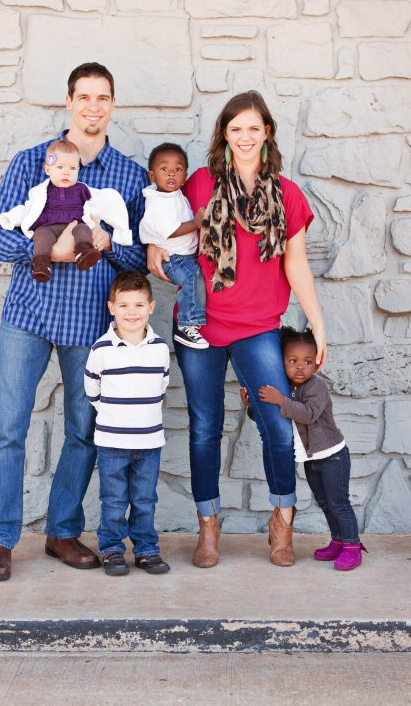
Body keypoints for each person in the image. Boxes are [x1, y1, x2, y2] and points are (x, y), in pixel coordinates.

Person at [0, 62, 149, 582]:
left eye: (103, 97)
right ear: (69, 101)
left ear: (112, 104)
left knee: (84, 430)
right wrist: (47, 249)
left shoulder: (129, 176)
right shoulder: (31, 162)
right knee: (8, 427)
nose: (93, 106)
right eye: (84, 97)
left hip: (91, 323)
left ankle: (62, 531)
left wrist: (108, 244)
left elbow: (139, 258)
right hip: (28, 314)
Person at [148, 90, 327, 569]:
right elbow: (167, 224)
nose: (244, 137)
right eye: (235, 129)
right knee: (205, 427)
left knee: (277, 425)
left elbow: (296, 264)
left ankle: (282, 519)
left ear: (267, 132)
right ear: (224, 135)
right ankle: (209, 524)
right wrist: (153, 247)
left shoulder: (287, 194)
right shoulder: (201, 183)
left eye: (253, 128)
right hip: (200, 327)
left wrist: (318, 325)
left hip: (258, 327)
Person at [257, 326, 366, 571]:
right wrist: (254, 407)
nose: (300, 367)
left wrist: (281, 400)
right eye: (292, 360)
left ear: (316, 363)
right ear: (282, 362)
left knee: (339, 503)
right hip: (312, 459)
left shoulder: (317, 387)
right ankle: (337, 541)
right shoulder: (287, 388)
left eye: (307, 361)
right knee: (325, 503)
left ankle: (352, 546)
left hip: (333, 457)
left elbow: (308, 414)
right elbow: (279, 417)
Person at [84, 271, 171, 576]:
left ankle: (146, 549)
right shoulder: (101, 350)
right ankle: (112, 549)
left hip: (149, 442)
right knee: (114, 500)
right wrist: (115, 415)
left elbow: (161, 385)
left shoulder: (159, 348)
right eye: (123, 305)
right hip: (112, 442)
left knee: (145, 499)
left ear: (151, 307)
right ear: (112, 308)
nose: (131, 312)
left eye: (138, 305)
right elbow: (92, 390)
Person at [0, 139, 132, 281]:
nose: (66, 173)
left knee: (84, 230)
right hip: (47, 227)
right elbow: (27, 210)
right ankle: (41, 265)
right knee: (42, 237)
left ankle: (84, 252)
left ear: (78, 170)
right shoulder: (40, 191)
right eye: (60, 167)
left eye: (72, 168)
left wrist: (119, 231)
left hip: (76, 224)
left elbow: (106, 201)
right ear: (48, 170)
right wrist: (11, 218)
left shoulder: (82, 189)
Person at [139, 143, 207, 349]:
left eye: (177, 169)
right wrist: (196, 223)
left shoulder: (174, 195)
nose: (171, 173)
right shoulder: (157, 202)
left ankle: (191, 321)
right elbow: (170, 230)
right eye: (164, 169)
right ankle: (188, 325)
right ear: (152, 176)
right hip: (172, 257)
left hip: (184, 254)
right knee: (191, 277)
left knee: (196, 277)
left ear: (184, 177)